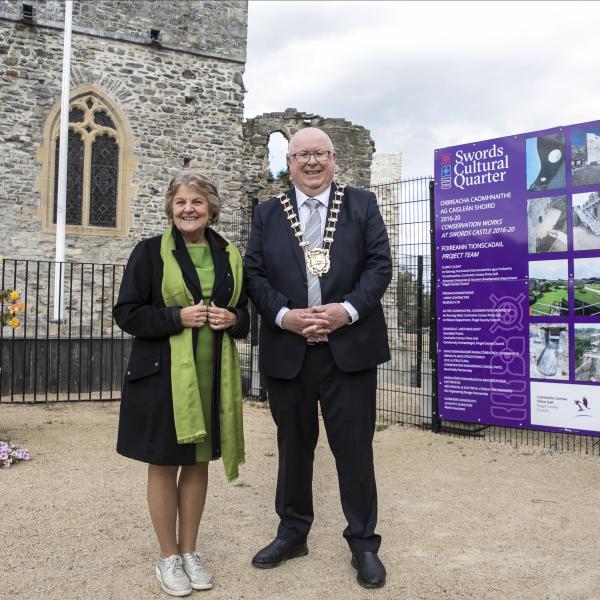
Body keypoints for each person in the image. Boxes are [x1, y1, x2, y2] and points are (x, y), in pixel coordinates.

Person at [244, 127, 392, 589]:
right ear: (287, 161)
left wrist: (345, 312)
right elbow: (254, 272)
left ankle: (363, 543)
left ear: (333, 159)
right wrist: (284, 315)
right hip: (290, 350)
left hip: (349, 350)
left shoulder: (362, 204)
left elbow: (379, 264)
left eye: (320, 154)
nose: (311, 162)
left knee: (354, 450)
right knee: (293, 448)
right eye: (302, 154)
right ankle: (292, 533)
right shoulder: (267, 212)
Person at [113, 170, 249, 597]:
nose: (188, 209)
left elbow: (244, 310)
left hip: (213, 377)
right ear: (170, 209)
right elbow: (127, 313)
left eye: (196, 202)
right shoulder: (150, 252)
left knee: (196, 463)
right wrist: (176, 317)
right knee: (165, 462)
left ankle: (191, 551)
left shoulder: (229, 254)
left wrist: (234, 319)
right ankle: (168, 556)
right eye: (180, 202)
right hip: (162, 378)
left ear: (211, 209)